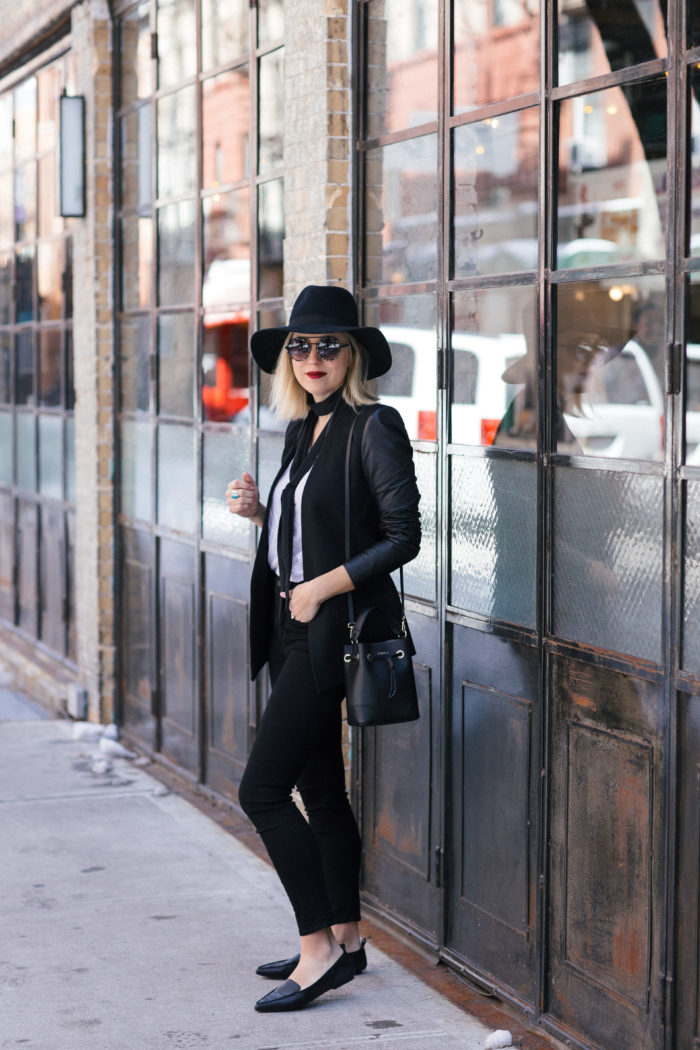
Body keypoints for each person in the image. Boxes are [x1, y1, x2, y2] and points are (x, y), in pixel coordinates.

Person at [225, 284, 421, 1013]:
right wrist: (260, 512)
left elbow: (405, 537)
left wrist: (322, 588)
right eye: (299, 347)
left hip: (329, 630)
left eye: (328, 346)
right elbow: (312, 526)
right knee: (321, 793)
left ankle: (319, 952)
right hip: (285, 625)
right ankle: (350, 935)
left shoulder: (374, 425)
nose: (312, 358)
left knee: (261, 792)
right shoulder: (301, 428)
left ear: (354, 355)